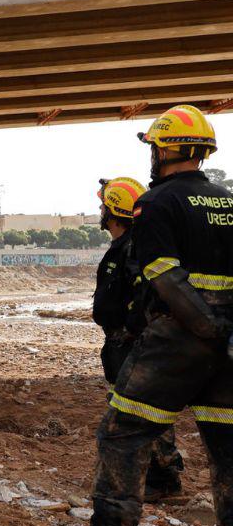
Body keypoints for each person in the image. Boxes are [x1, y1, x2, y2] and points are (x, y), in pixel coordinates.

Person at [53, 105, 233, 526]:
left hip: (180, 339)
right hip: (229, 344)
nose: (152, 155)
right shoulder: (229, 202)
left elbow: (164, 276)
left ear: (167, 148)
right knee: (229, 450)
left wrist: (207, 326)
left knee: (123, 434)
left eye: (155, 146)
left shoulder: (156, 204)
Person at [92, 176, 182, 501]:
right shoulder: (125, 245)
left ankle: (162, 478)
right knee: (139, 409)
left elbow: (142, 293)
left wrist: (131, 329)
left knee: (141, 412)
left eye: (103, 205)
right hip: (121, 342)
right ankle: (159, 476)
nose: (100, 210)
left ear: (113, 212)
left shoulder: (133, 248)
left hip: (131, 342)